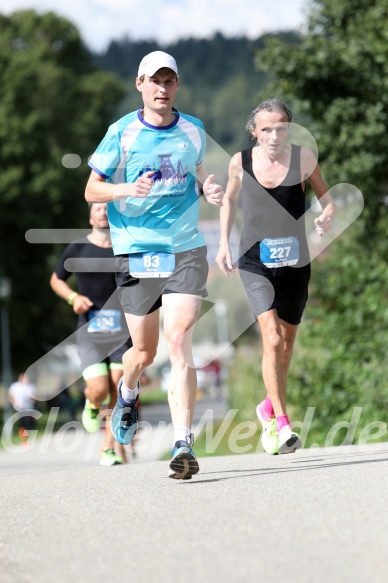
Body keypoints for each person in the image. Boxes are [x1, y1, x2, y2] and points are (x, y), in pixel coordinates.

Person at [84, 51, 224, 480]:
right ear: (140, 84)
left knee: (179, 341)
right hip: (138, 249)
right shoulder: (121, 133)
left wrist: (208, 187)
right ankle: (128, 393)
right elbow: (92, 190)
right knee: (142, 353)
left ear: (177, 85)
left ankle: (183, 442)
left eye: (170, 81)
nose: (162, 89)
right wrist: (128, 187)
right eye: (155, 81)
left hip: (185, 249)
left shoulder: (193, 130)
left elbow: (196, 172)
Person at [215, 98, 335, 455]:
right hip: (255, 262)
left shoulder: (303, 159)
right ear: (255, 132)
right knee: (270, 339)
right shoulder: (240, 162)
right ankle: (281, 424)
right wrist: (223, 243)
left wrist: (326, 214)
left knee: (286, 345)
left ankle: (267, 405)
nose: (274, 135)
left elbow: (327, 198)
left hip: (295, 263)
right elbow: (230, 201)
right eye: (266, 129)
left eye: (281, 128)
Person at [50, 202, 133, 466]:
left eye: (108, 209)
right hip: (91, 331)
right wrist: (73, 297)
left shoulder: (125, 247)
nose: (103, 212)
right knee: (97, 390)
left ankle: (107, 448)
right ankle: (92, 403)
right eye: (98, 208)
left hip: (123, 331)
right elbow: (56, 279)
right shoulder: (77, 248)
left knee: (117, 391)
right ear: (90, 217)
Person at [9, 372, 37, 446]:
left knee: (29, 424)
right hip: (19, 408)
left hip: (29, 408)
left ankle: (26, 437)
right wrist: (16, 403)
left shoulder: (31, 387)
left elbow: (35, 398)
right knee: (24, 423)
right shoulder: (15, 386)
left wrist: (31, 399)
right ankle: (24, 439)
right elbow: (11, 397)